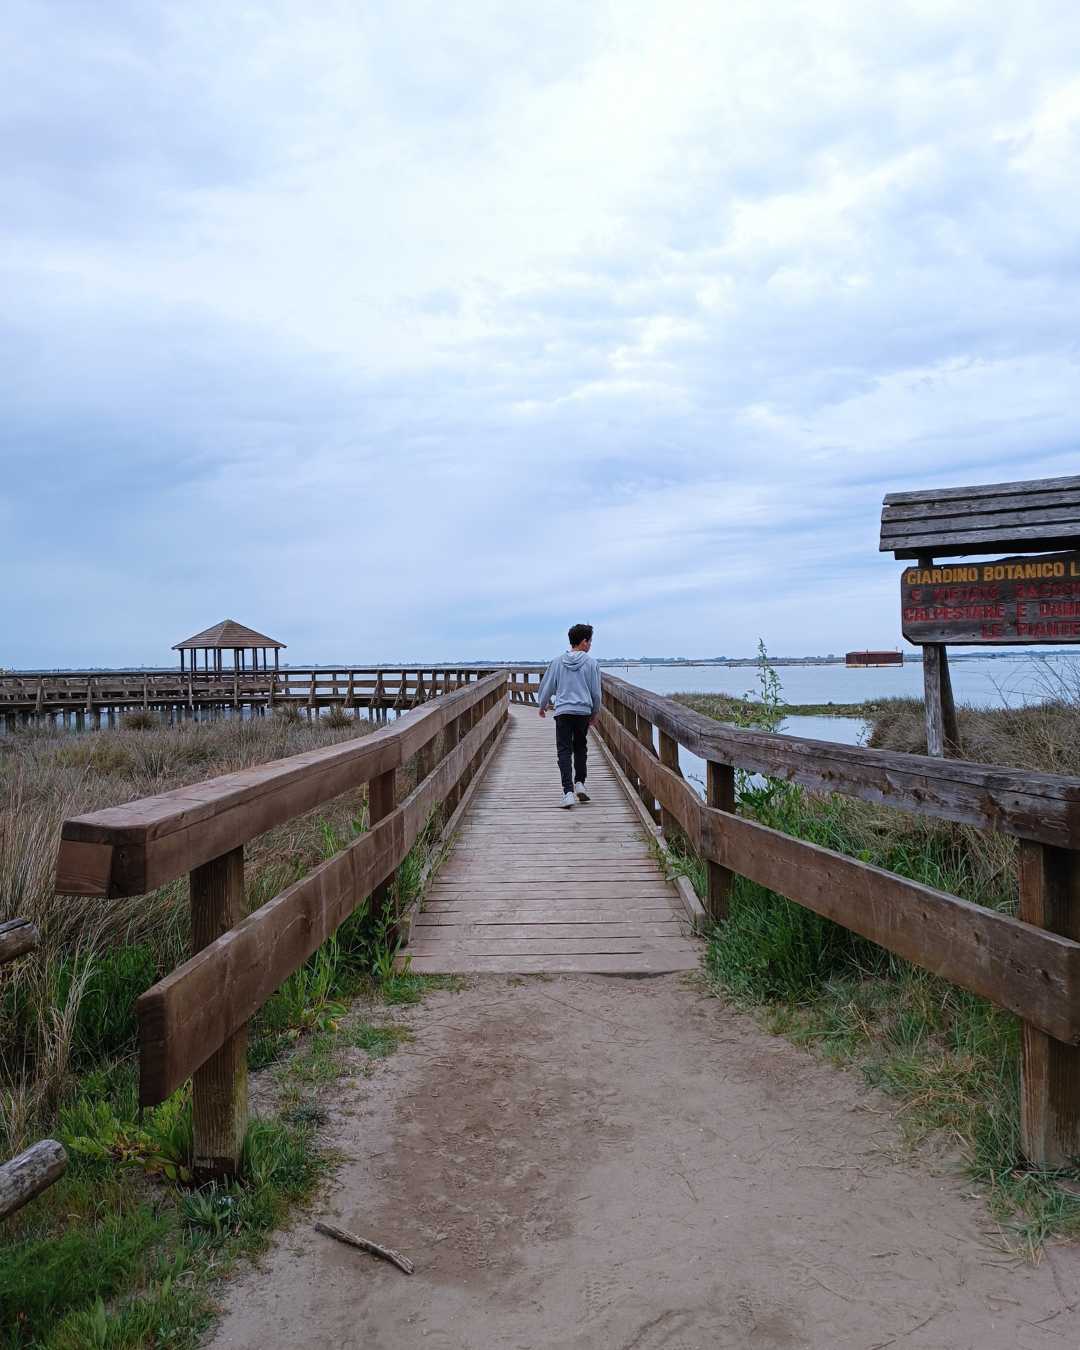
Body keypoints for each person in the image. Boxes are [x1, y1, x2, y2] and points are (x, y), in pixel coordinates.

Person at [536, 623, 602, 808]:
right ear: (583, 642)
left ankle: (568, 792)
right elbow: (596, 693)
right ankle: (580, 782)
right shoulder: (591, 663)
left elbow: (548, 685)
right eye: (589, 641)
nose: (590, 645)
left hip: (563, 711)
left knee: (564, 751)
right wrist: (595, 712)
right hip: (582, 712)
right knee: (581, 747)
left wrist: (542, 705)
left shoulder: (557, 662)